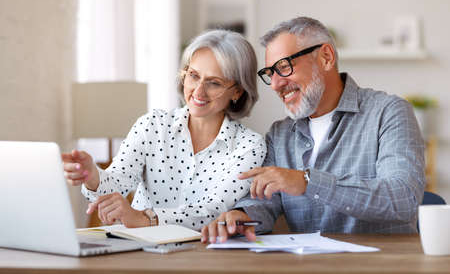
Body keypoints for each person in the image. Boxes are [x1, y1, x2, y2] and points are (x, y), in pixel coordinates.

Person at [201, 16, 425, 243]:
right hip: (309, 265)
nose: (276, 84)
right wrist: (242, 216)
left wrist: (308, 181)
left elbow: (402, 198)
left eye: (284, 67)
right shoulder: (280, 135)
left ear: (326, 57)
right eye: (270, 73)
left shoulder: (389, 112)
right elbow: (264, 201)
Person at [63, 30, 267, 230]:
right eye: (194, 76)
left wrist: (144, 218)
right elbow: (117, 182)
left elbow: (213, 211)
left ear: (237, 92)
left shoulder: (248, 146)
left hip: (205, 257)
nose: (199, 91)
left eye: (214, 83)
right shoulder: (152, 125)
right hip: (142, 255)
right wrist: (92, 176)